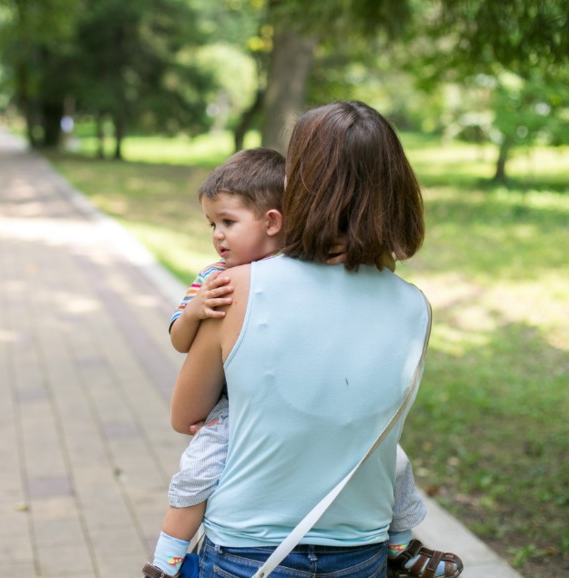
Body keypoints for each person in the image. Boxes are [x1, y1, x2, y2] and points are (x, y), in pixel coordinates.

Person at [143, 140, 463, 578]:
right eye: (213, 224)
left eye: (227, 222)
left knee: (197, 469)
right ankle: (401, 543)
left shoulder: (239, 287)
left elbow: (184, 417)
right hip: (359, 544)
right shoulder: (412, 304)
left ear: (279, 216)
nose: (217, 235)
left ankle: (167, 559)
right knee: (395, 458)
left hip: (246, 542)